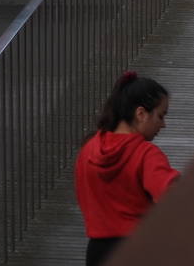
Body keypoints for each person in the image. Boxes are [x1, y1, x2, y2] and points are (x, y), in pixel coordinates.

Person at [75, 71, 179, 266]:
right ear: (141, 113)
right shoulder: (145, 154)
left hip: (98, 252)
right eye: (160, 115)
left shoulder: (88, 150)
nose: (163, 125)